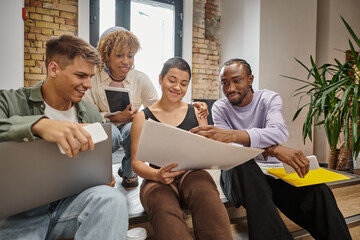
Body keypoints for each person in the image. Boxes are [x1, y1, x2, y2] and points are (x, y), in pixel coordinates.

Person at [190, 58, 351, 240]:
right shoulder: (220, 107)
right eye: (224, 83)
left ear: (250, 79)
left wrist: (235, 135)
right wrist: (273, 150)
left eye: (236, 81)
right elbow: (233, 150)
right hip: (238, 176)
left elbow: (278, 132)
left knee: (318, 191)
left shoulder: (268, 98)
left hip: (272, 175)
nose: (230, 89)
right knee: (245, 163)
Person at [0, 35, 128, 239]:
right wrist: (39, 125)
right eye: (80, 75)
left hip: (71, 204)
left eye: (90, 77)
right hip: (20, 214)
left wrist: (101, 179)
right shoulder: (10, 101)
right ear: (53, 69)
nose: (87, 85)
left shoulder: (91, 114)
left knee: (111, 199)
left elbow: (93, 170)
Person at [84, 27, 209, 190]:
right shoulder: (92, 77)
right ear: (106, 55)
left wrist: (188, 107)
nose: (126, 61)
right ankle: (102, 173)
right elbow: (87, 115)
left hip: (129, 125)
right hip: (104, 125)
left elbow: (160, 107)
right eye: (119, 55)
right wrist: (113, 118)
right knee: (112, 134)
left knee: (136, 128)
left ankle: (129, 173)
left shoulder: (139, 78)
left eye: (130, 55)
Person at [131, 57, 233, 239]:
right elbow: (136, 163)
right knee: (162, 203)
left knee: (205, 191)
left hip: (192, 174)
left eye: (184, 83)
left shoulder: (197, 111)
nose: (177, 87)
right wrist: (156, 175)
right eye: (172, 80)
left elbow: (205, 151)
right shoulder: (142, 118)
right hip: (156, 178)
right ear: (160, 79)